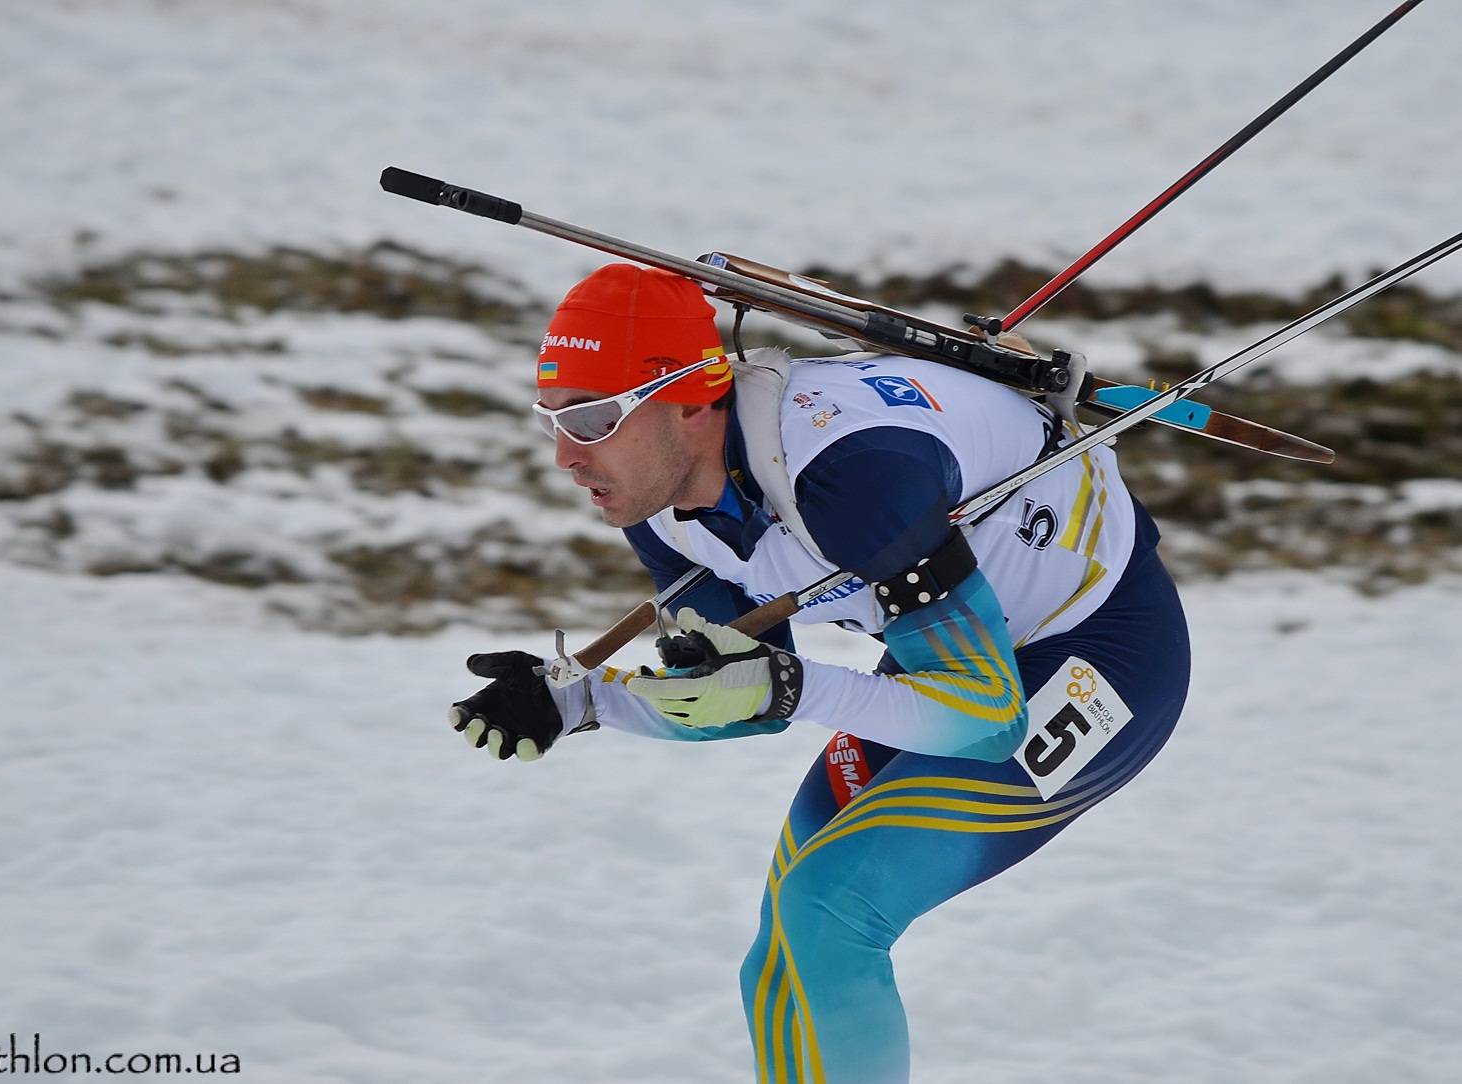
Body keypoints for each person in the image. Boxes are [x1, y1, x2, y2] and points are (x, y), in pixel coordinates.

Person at [449, 263, 1191, 1083]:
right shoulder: (659, 501)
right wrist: (579, 702)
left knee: (830, 915)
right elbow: (742, 697)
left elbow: (986, 722)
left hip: (1103, 654)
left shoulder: (851, 473)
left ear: (694, 399)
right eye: (550, 419)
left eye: (590, 419)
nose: (563, 456)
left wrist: (789, 688)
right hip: (952, 667)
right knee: (779, 956)